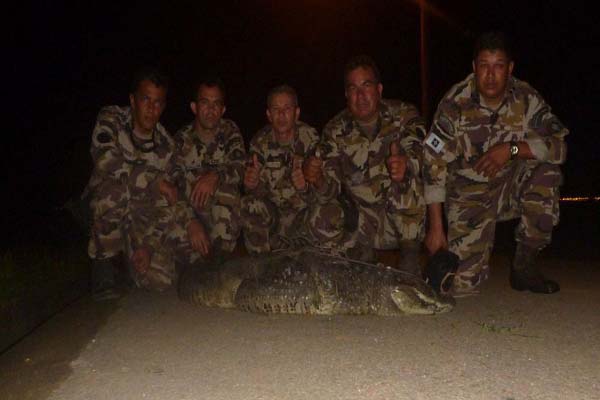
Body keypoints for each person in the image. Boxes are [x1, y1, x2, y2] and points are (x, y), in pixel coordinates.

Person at [423, 31, 568, 295]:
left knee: (547, 171)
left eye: (498, 66)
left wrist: (511, 149)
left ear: (510, 68)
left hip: (510, 186)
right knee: (460, 287)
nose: (491, 75)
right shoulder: (454, 103)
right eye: (484, 66)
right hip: (469, 195)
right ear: (474, 68)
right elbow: (433, 162)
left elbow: (559, 146)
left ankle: (524, 266)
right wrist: (436, 227)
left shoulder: (526, 99)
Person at [85, 67, 204, 297]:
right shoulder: (111, 119)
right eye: (145, 99)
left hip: (142, 215)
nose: (151, 108)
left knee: (164, 278)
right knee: (114, 189)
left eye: (158, 102)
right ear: (132, 100)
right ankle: (104, 264)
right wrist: (153, 181)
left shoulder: (167, 145)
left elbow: (171, 196)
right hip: (109, 206)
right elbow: (106, 162)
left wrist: (190, 224)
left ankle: (132, 261)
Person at [304, 55, 427, 274]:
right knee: (320, 211)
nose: (360, 96)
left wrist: (406, 162)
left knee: (407, 176)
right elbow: (329, 191)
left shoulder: (404, 114)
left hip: (397, 222)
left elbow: (424, 150)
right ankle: (357, 257)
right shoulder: (334, 129)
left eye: (366, 86)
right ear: (346, 95)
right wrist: (318, 179)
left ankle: (410, 258)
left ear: (379, 89)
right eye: (353, 88)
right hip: (360, 226)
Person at [241, 85, 325, 254]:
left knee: (330, 211)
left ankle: (318, 261)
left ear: (297, 113)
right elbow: (257, 195)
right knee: (248, 204)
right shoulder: (259, 143)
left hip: (304, 221)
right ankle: (262, 269)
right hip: (276, 223)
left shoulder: (311, 139)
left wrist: (304, 188)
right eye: (276, 109)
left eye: (287, 108)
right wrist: (252, 185)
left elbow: (323, 193)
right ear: (268, 115)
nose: (281, 115)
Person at [172, 78, 246, 259]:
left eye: (216, 104)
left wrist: (215, 176)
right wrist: (191, 222)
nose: (211, 110)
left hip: (218, 212)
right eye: (205, 103)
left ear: (223, 109)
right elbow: (172, 186)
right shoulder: (181, 140)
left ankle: (220, 259)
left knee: (229, 194)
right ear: (194, 107)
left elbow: (239, 166)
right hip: (190, 211)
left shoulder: (230, 131)